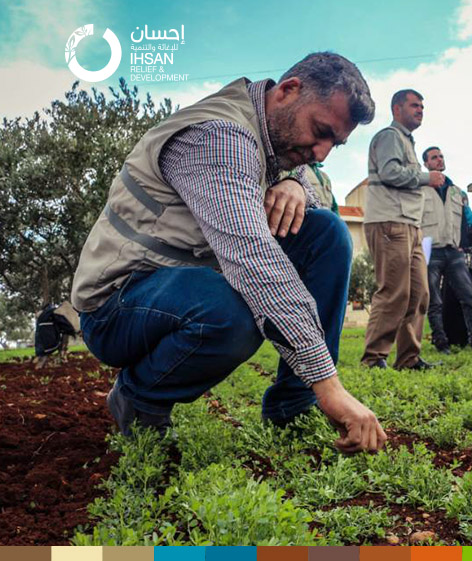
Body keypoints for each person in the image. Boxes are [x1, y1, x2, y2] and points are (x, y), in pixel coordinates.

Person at [71, 52, 387, 452]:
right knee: (234, 314)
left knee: (325, 232)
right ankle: (139, 397)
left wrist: (294, 182)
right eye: (320, 131)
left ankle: (294, 405)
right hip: (117, 305)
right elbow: (254, 260)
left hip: (186, 283)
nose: (322, 153)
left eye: (334, 145)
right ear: (289, 90)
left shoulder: (269, 132)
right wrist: (329, 385)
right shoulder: (218, 137)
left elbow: (309, 184)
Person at [361, 89, 443, 370]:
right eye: (414, 105)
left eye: (422, 105)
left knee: (420, 293)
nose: (420, 109)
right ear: (397, 109)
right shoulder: (389, 137)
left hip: (410, 225)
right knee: (394, 292)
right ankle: (373, 358)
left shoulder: (405, 141)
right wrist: (425, 178)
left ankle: (408, 358)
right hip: (389, 222)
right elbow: (390, 172)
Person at [420, 146, 472, 353]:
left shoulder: (456, 191)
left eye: (441, 156)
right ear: (426, 164)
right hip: (429, 249)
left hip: (453, 251)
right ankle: (441, 342)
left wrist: (463, 243)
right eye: (434, 157)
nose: (439, 160)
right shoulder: (420, 190)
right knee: (434, 299)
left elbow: (465, 218)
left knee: (468, 296)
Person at [442, 202, 472, 346]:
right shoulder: (448, 217)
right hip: (453, 260)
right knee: (452, 300)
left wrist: (471, 239)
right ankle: (453, 338)